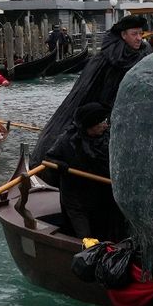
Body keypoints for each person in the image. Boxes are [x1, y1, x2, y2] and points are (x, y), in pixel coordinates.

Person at [35, 13, 151, 173]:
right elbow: (87, 90)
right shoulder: (105, 59)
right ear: (123, 35)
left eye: (140, 34)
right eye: (134, 34)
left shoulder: (143, 56)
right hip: (100, 113)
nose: (139, 38)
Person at [46, 101, 124, 241]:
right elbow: (49, 159)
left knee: (106, 233)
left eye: (105, 121)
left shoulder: (109, 138)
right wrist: (59, 164)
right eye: (101, 122)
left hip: (101, 194)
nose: (106, 125)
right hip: (76, 198)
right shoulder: (68, 140)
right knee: (85, 237)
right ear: (90, 126)